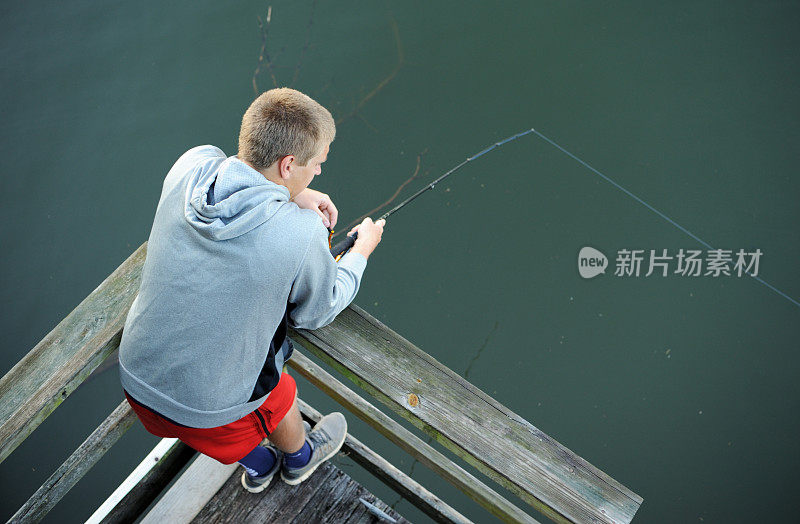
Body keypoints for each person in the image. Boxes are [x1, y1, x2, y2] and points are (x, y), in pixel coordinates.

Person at [118, 87, 385, 493]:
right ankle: (300, 460)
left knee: (227, 440)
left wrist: (290, 193)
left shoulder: (190, 165)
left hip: (136, 379)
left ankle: (260, 469)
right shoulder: (300, 233)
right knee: (276, 397)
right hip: (206, 408)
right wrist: (361, 252)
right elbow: (316, 310)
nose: (318, 174)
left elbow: (237, 173)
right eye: (316, 165)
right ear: (289, 163)